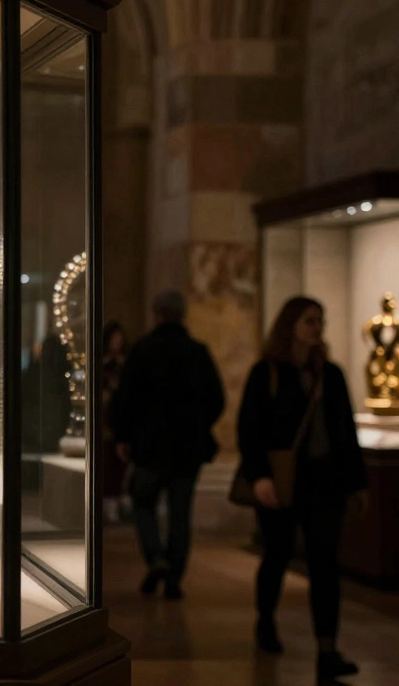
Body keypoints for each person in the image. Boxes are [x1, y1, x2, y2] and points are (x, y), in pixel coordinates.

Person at [237, 296, 368, 682]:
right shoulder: (268, 373)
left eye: (320, 321)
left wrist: (357, 483)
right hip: (282, 482)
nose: (317, 328)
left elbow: (346, 434)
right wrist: (259, 476)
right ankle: (265, 621)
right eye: (310, 320)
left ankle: (327, 650)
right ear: (290, 324)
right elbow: (250, 430)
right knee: (276, 555)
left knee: (325, 566)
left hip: (325, 485)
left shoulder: (332, 374)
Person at [110, 290, 224, 600]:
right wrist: (199, 426)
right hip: (188, 449)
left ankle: (155, 556)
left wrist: (124, 436)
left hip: (149, 447)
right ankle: (174, 578)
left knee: (142, 503)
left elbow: (126, 399)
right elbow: (217, 399)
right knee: (180, 513)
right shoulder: (197, 352)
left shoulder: (143, 351)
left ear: (156, 314)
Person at [101, 321, 128, 523]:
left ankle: (116, 503)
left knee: (118, 466)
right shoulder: (101, 365)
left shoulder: (124, 365)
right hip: (103, 418)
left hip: (118, 420)